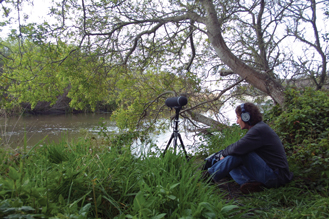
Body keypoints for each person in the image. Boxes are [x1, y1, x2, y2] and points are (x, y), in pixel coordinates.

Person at [204, 102, 293, 194]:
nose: (237, 122)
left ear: (246, 117)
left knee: (241, 153)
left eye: (238, 118)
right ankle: (254, 184)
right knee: (235, 158)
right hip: (271, 173)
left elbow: (237, 148)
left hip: (276, 176)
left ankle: (209, 176)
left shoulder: (259, 130)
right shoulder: (259, 128)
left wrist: (222, 154)